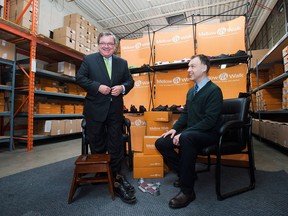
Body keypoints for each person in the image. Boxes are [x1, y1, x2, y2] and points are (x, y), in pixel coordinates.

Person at [155, 54, 223, 209]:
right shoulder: (191, 91)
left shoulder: (214, 91)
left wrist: (184, 133)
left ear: (204, 68)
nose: (189, 70)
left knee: (187, 138)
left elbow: (209, 121)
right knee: (161, 142)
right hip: (193, 133)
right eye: (188, 66)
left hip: (209, 133)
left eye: (192, 66)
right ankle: (188, 174)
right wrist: (174, 129)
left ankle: (187, 191)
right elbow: (185, 115)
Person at [76, 32, 136, 204]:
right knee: (97, 142)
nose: (107, 46)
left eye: (110, 44)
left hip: (115, 111)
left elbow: (130, 82)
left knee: (116, 144)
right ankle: (102, 172)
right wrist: (97, 87)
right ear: (98, 44)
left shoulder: (122, 63)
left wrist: (122, 88)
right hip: (94, 110)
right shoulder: (89, 59)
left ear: (115, 46)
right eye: (103, 43)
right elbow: (79, 78)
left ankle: (116, 176)